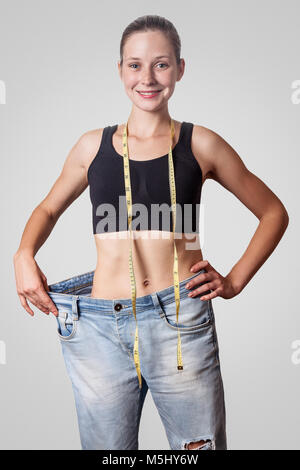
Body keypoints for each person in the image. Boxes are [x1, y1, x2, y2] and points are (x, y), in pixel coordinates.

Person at [13, 14, 289, 451]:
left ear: (180, 68)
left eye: (161, 64)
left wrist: (234, 281)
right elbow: (47, 209)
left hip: (178, 318)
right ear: (120, 70)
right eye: (135, 65)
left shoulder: (201, 144)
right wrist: (23, 255)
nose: (147, 77)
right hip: (100, 326)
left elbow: (273, 212)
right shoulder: (92, 147)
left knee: (194, 452)